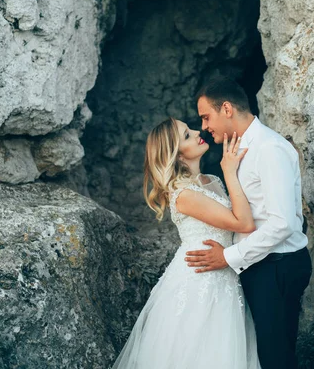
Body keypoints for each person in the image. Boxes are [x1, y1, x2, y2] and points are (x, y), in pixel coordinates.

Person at [111, 117, 261, 369]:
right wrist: (230, 171)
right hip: (198, 281)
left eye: (190, 129)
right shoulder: (184, 194)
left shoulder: (210, 181)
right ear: (177, 155)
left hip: (223, 275)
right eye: (187, 135)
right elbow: (244, 223)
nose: (197, 131)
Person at [186, 77, 312, 369]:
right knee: (265, 355)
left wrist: (227, 257)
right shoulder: (239, 149)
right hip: (261, 265)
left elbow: (283, 224)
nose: (204, 126)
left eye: (206, 116)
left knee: (275, 359)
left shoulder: (269, 148)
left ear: (226, 108)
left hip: (277, 266)